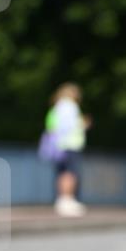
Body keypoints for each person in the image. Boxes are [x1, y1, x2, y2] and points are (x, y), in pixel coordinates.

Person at [44, 83, 92, 217]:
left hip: (59, 145)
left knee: (62, 173)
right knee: (70, 173)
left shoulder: (56, 107)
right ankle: (67, 200)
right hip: (70, 144)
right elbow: (70, 126)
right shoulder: (70, 106)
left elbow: (51, 125)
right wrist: (83, 124)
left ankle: (62, 200)